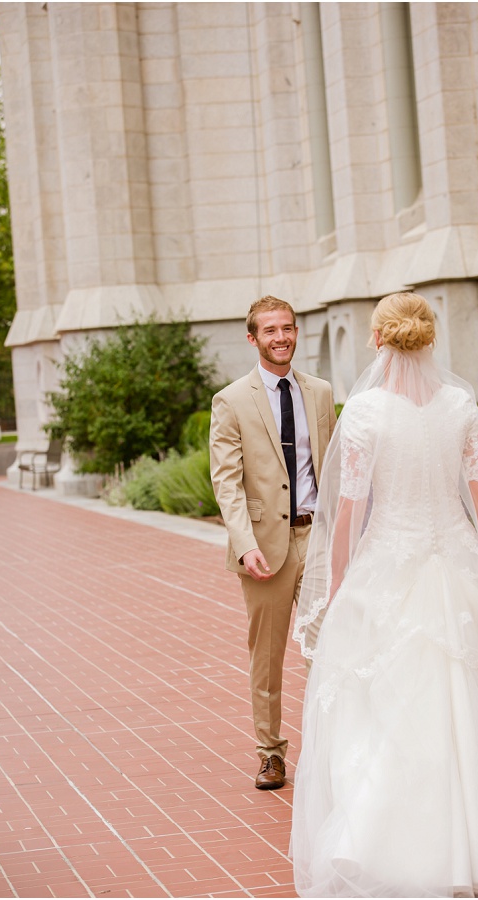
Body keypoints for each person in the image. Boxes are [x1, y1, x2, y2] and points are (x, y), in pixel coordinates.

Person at [290, 292, 478, 897]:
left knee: (389, 709)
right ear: (429, 340)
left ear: (377, 341)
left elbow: (349, 512)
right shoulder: (459, 407)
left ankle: (390, 844)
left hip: (389, 570)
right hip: (455, 567)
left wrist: (339, 584)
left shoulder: (366, 413)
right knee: (463, 706)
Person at [210, 296, 337, 789]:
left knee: (328, 648)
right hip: (264, 547)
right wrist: (244, 544)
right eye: (270, 330)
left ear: (296, 332)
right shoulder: (231, 400)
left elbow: (332, 465)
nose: (280, 337)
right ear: (252, 338)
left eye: (287, 328)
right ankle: (270, 752)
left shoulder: (321, 392)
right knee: (268, 655)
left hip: (319, 538)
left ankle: (333, 747)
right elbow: (227, 481)